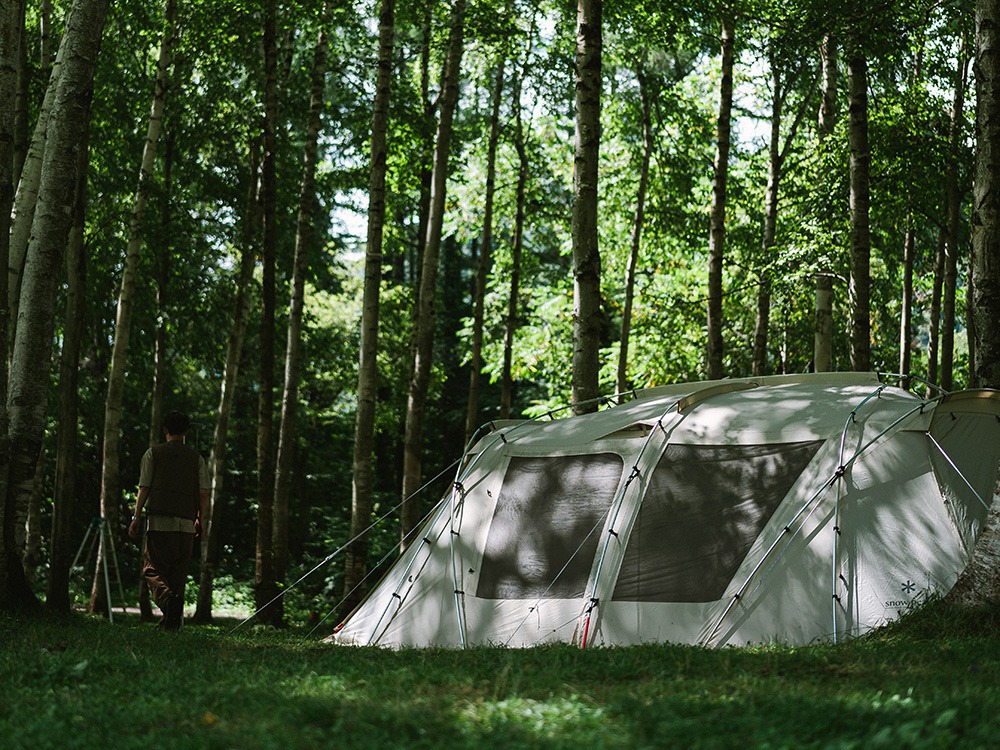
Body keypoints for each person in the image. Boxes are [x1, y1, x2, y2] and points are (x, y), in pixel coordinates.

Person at [128, 410, 209, 630]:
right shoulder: (197, 459)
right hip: (186, 525)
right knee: (178, 575)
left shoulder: (152, 454)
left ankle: (165, 602)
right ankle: (170, 625)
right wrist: (201, 520)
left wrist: (136, 517)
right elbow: (203, 493)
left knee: (152, 569)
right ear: (185, 432)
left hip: (159, 522)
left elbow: (144, 487)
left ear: (165, 429)